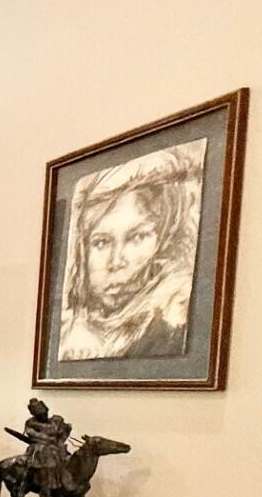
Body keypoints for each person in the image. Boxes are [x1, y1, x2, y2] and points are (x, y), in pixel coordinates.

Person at [57, 142, 204, 361]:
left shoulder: (172, 323)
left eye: (137, 237)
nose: (117, 261)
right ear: (81, 250)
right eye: (101, 242)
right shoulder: (72, 331)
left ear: (164, 239)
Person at [6, 398, 72, 492]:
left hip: (56, 446)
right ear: (35, 415)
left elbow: (64, 431)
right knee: (44, 460)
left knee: (67, 459)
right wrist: (49, 439)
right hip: (39, 447)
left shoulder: (56, 421)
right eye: (41, 415)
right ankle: (36, 485)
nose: (44, 416)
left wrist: (65, 431)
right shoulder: (31, 424)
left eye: (45, 414)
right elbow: (34, 435)